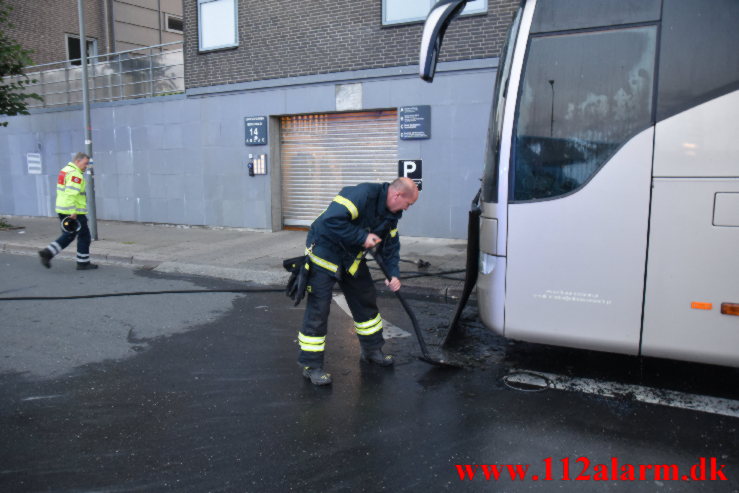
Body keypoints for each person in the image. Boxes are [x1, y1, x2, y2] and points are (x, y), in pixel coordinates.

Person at [297, 177, 419, 385]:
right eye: (408, 204)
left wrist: (394, 273)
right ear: (397, 195)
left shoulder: (391, 215)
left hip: (351, 257)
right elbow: (331, 221)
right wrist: (362, 237)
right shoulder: (361, 195)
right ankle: (312, 365)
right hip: (325, 253)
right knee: (319, 308)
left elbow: (389, 246)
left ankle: (372, 350)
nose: (407, 209)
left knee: (365, 300)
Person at [38, 152, 98, 270]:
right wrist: (73, 211)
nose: (86, 166)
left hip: (62, 208)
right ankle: (49, 253)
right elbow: (71, 194)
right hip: (73, 211)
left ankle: (82, 261)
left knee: (74, 234)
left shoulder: (65, 170)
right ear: (77, 161)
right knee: (79, 236)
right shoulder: (75, 175)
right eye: (85, 163)